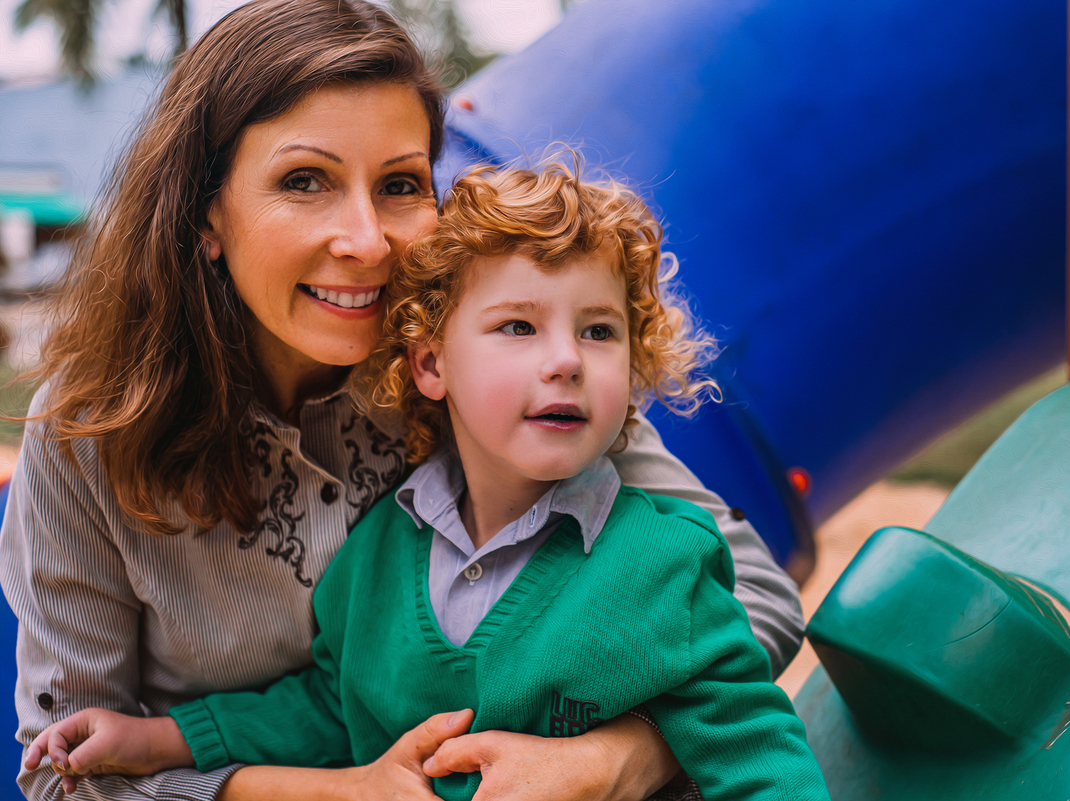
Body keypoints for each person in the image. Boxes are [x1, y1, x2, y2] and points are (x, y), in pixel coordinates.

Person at [0, 1, 807, 799]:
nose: (365, 240)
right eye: (304, 180)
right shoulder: (92, 437)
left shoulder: (488, 369)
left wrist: (611, 758)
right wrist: (332, 790)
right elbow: (64, 783)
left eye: (399, 185)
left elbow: (755, 598)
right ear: (207, 210)